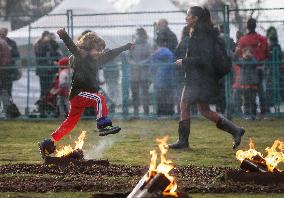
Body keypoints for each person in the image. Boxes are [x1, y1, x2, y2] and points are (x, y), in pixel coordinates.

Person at [38, 28, 134, 159]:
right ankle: (103, 125)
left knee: (70, 123)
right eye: (96, 49)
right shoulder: (80, 57)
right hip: (79, 94)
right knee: (99, 98)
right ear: (88, 48)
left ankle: (48, 142)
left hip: (82, 96)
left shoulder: (98, 59)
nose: (99, 52)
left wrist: (126, 47)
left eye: (100, 50)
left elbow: (111, 53)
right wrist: (64, 35)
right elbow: (73, 48)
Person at [169, 6, 245, 150]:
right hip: (201, 78)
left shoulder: (202, 33)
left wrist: (185, 61)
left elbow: (205, 58)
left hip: (199, 79)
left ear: (195, 18)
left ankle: (183, 142)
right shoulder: (200, 31)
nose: (186, 18)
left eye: (188, 15)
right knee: (204, 110)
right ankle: (235, 130)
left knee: (184, 105)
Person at [236, 18, 268, 118]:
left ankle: (249, 112)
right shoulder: (262, 39)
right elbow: (266, 52)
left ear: (247, 26)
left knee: (247, 93)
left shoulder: (242, 40)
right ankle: (263, 112)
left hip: (246, 70)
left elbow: (238, 54)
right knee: (261, 90)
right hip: (259, 67)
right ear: (255, 25)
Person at [127, 28, 152, 117]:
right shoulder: (132, 45)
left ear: (141, 34)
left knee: (145, 94)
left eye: (137, 34)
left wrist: (142, 63)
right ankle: (136, 113)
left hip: (144, 74)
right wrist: (133, 63)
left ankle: (146, 113)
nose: (135, 36)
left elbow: (150, 57)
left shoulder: (147, 45)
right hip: (133, 74)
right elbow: (128, 57)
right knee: (135, 94)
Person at [34, 31, 60, 116]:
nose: (48, 38)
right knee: (44, 90)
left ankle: (50, 109)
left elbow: (57, 53)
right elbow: (41, 55)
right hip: (43, 71)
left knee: (51, 90)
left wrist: (53, 40)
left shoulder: (52, 44)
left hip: (51, 70)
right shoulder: (39, 44)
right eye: (47, 36)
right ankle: (43, 110)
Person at [151, 31, 176, 116]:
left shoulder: (155, 53)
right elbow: (171, 65)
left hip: (158, 79)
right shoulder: (169, 52)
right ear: (165, 42)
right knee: (168, 96)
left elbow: (152, 67)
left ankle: (160, 112)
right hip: (168, 78)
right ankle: (169, 112)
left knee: (160, 96)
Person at [266, 26, 283, 109]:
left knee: (275, 85)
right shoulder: (274, 47)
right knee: (273, 85)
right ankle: (273, 102)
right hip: (273, 69)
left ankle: (275, 102)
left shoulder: (275, 47)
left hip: (275, 69)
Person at [0, 28, 21, 96]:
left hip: (8, 69)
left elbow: (17, 55)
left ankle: (8, 105)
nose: (2, 35)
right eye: (1, 33)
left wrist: (10, 50)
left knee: (8, 89)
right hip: (2, 68)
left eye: (4, 33)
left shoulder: (11, 42)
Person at [239, 47, 258, 120]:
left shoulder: (253, 60)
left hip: (253, 82)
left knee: (253, 99)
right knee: (246, 100)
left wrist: (251, 57)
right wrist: (244, 58)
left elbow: (255, 64)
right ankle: (247, 114)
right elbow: (241, 64)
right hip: (245, 82)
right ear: (243, 53)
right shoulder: (242, 60)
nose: (247, 54)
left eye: (249, 52)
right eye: (246, 52)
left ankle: (253, 114)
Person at [0, 36, 11, 117]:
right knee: (5, 91)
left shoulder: (1, 43)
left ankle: (4, 111)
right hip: (5, 70)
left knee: (3, 91)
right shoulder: (4, 42)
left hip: (2, 69)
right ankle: (6, 111)